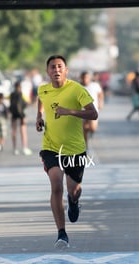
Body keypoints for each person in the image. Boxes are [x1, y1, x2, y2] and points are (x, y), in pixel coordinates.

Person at [36, 55, 98, 249]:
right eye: (52, 67)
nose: (56, 70)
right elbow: (41, 101)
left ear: (66, 70)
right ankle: (61, 233)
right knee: (56, 185)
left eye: (59, 66)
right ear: (48, 71)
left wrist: (71, 111)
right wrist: (39, 116)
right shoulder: (43, 89)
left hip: (75, 150)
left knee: (74, 190)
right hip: (51, 147)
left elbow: (93, 113)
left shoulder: (76, 89)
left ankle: (73, 202)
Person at [79, 71, 104, 147]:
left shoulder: (95, 85)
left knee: (93, 128)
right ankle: (86, 146)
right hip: (82, 111)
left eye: (87, 77)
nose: (85, 79)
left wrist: (100, 103)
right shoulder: (78, 87)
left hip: (93, 110)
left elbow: (100, 94)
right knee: (84, 128)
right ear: (81, 78)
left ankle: (91, 132)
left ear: (89, 78)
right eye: (83, 77)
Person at [10, 81, 32, 156]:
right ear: (20, 87)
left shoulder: (11, 94)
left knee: (14, 131)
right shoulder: (21, 94)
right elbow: (28, 101)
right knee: (23, 131)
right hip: (21, 115)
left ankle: (14, 148)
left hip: (14, 114)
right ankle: (24, 148)